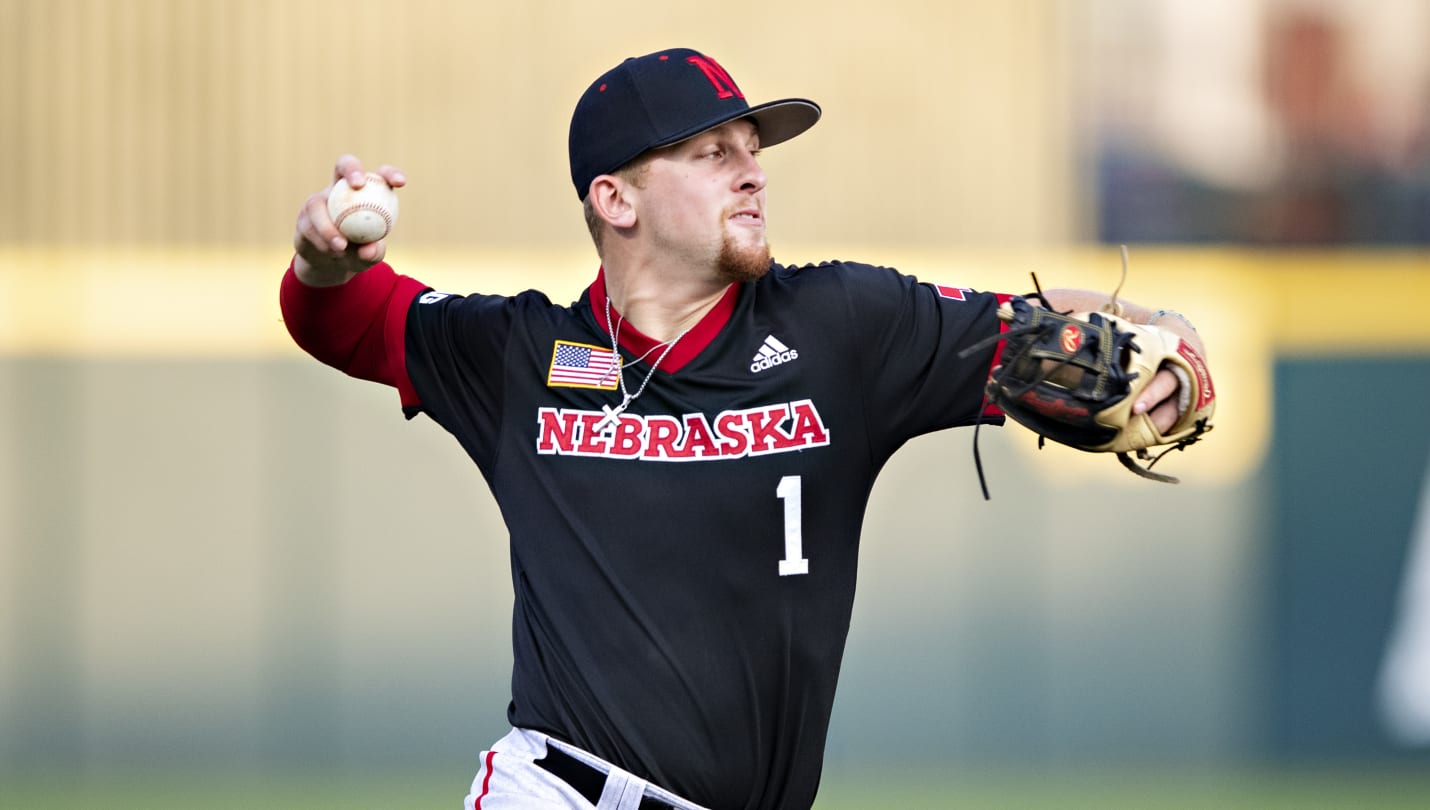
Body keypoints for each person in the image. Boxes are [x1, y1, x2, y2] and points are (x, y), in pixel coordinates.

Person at [281, 47, 1207, 810]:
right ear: (617, 199)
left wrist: (1172, 337)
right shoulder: (523, 355)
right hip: (556, 792)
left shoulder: (840, 327)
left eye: (752, 148)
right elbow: (344, 320)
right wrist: (323, 253)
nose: (754, 170)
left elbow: (1032, 326)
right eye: (712, 152)